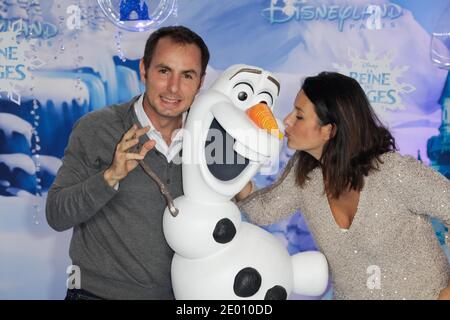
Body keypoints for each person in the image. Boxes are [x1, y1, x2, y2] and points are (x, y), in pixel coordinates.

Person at [236, 72, 450, 300]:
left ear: (330, 130)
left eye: (299, 116)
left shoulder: (394, 172)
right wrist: (231, 169)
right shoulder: (304, 173)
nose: (287, 120)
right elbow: (262, 210)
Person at [46, 26, 210, 300]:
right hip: (97, 295)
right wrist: (110, 176)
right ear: (144, 70)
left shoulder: (210, 136)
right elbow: (56, 214)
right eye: (164, 71)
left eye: (187, 75)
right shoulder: (97, 128)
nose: (173, 87)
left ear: (200, 82)